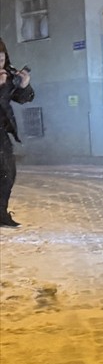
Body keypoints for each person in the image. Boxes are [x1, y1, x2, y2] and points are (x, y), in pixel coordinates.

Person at [0, 39, 35, 228]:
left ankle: (1, 213)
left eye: (2, 59)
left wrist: (24, 85)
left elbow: (24, 99)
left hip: (1, 131)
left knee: (7, 172)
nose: (0, 64)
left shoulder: (9, 74)